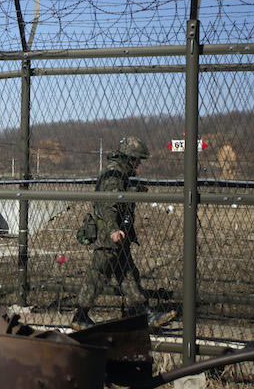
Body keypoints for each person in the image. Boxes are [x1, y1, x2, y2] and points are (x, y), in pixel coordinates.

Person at [72, 136, 176, 330]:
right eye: (136, 160)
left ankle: (145, 314)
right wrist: (113, 230)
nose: (138, 164)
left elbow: (118, 197)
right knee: (98, 275)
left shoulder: (119, 175)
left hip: (116, 237)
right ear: (129, 158)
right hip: (109, 237)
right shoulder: (114, 175)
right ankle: (80, 316)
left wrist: (134, 190)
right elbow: (107, 205)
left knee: (128, 275)